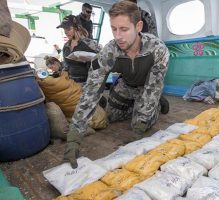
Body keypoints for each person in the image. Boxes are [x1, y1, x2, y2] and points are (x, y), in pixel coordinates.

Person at [64, 1, 170, 168]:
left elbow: (153, 87)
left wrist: (139, 128)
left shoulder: (158, 49)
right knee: (110, 117)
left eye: (124, 29)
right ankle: (133, 105)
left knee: (140, 122)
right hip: (126, 85)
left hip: (147, 88)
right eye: (114, 29)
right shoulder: (109, 52)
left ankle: (157, 105)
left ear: (139, 26)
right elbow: (91, 91)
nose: (118, 36)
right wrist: (74, 136)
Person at [57, 15, 99, 84]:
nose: (65, 32)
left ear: (77, 28)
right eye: (64, 29)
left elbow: (100, 67)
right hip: (70, 84)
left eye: (68, 29)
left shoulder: (91, 44)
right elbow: (66, 66)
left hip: (86, 84)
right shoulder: (66, 46)